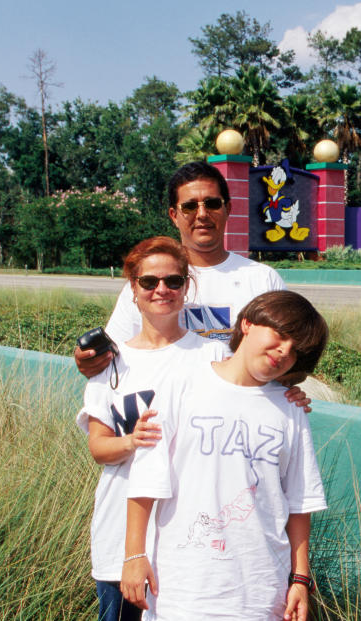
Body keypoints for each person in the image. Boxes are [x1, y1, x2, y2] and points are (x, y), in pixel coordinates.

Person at [119, 291, 329, 620]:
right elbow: (148, 476)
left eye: (296, 351)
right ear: (247, 323)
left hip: (261, 594)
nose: (284, 351)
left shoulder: (291, 408)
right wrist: (134, 555)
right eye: (281, 335)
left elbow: (299, 502)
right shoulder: (182, 383)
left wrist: (300, 579)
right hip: (181, 587)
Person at [77, 236, 228, 621]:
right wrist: (132, 441)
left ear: (186, 287)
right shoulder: (111, 363)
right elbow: (98, 448)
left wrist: (290, 397)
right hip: (119, 536)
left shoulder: (213, 355)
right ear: (133, 289)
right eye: (149, 282)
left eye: (173, 281)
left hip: (190, 535)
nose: (162, 290)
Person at [75, 161, 286, 379]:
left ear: (228, 209)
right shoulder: (147, 282)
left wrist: (290, 384)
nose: (202, 214)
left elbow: (288, 352)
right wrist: (90, 359)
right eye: (190, 206)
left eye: (212, 203)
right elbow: (115, 355)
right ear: (174, 215)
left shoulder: (263, 280)